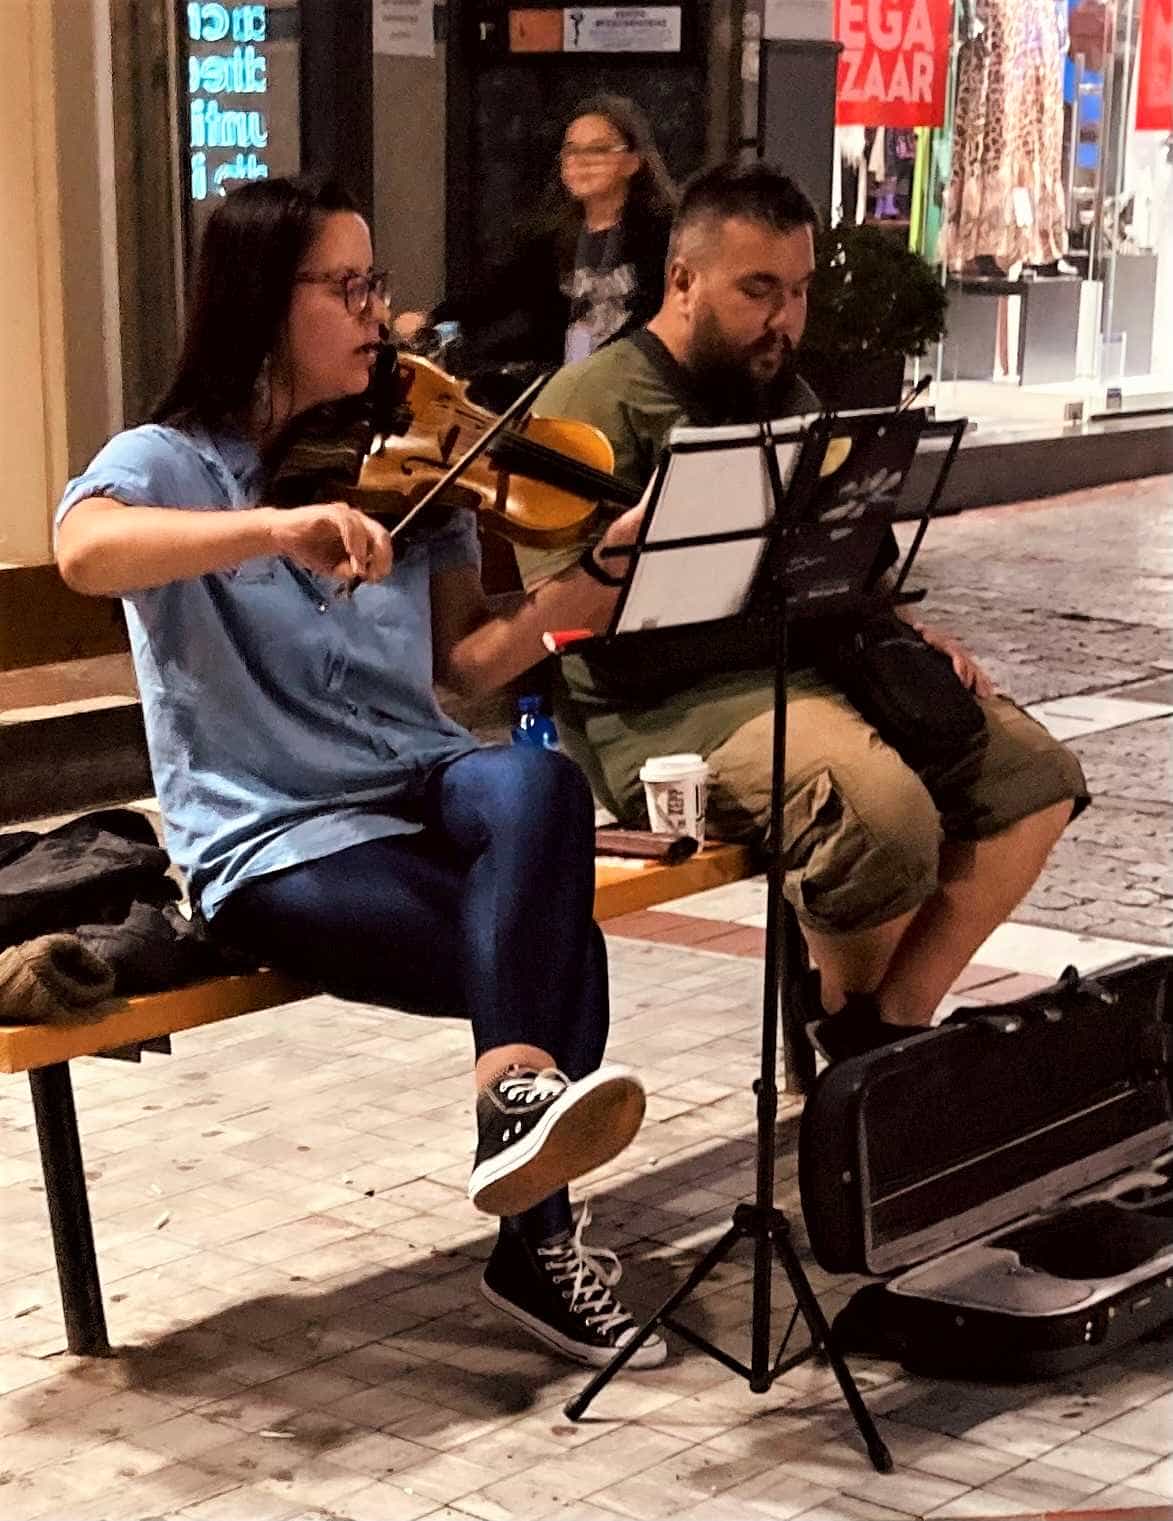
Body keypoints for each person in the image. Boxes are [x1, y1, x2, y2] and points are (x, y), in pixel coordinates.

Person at [54, 175, 665, 1369]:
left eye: (376, 284)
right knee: (564, 945)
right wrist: (273, 530)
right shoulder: (170, 463)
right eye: (346, 287)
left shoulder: (400, 463)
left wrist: (587, 588)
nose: (379, 315)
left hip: (419, 786)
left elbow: (468, 669)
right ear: (258, 303)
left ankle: (509, 1100)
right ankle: (534, 1247)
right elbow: (83, 552)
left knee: (537, 784)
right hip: (274, 836)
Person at [513, 160, 1089, 1062]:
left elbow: (850, 557)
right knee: (882, 816)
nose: (784, 320)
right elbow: (553, 617)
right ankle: (860, 1035)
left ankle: (881, 1029)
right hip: (652, 704)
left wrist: (903, 626)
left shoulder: (784, 392)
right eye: (757, 291)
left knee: (1033, 774)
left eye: (798, 292)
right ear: (681, 280)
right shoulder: (591, 403)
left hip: (803, 660)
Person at [395, 94, 676, 370]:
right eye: (572, 150)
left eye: (598, 149)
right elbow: (494, 295)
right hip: (561, 387)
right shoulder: (547, 240)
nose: (581, 161)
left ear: (632, 161)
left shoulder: (664, 235)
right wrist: (431, 318)